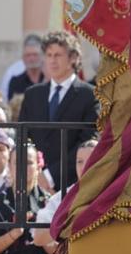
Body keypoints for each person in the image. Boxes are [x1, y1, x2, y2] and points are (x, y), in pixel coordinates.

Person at [18, 31, 98, 192]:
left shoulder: (89, 95)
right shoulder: (33, 94)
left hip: (71, 183)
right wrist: (35, 171)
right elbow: (23, 136)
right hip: (33, 182)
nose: (52, 61)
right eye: (48, 55)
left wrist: (50, 176)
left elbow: (87, 142)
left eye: (58, 55)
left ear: (73, 58)